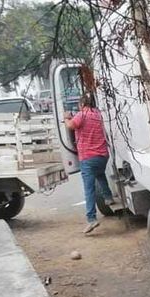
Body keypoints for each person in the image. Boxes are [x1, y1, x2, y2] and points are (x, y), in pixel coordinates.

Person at [64, 93, 113, 234]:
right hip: (102, 155)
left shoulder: (82, 114)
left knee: (89, 189)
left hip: (88, 157)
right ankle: (108, 197)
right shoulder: (97, 114)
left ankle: (91, 219)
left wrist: (67, 117)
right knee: (100, 174)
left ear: (82, 104)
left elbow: (71, 125)